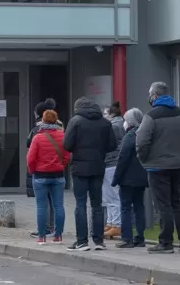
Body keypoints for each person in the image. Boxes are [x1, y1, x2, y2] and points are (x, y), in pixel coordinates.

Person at [136, 82, 180, 254]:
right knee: (177, 201)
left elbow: (141, 142)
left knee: (163, 204)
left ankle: (165, 242)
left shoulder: (151, 116)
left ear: (154, 96)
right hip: (178, 164)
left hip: (156, 166)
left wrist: (144, 159)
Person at [63, 97, 117, 251]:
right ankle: (99, 241)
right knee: (97, 205)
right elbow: (112, 145)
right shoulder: (105, 123)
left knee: (80, 204)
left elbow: (66, 145)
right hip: (98, 167)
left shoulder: (76, 121)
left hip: (79, 168)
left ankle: (81, 241)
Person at [26, 109, 70, 244]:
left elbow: (30, 159)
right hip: (58, 175)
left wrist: (33, 171)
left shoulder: (38, 137)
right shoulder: (62, 135)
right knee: (58, 206)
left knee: (41, 206)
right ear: (56, 121)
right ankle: (58, 236)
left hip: (40, 175)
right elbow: (67, 155)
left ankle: (41, 236)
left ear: (43, 120)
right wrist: (61, 165)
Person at [112, 108, 148, 249]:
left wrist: (116, 179)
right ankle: (140, 237)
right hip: (141, 177)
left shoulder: (130, 136)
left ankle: (127, 238)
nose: (124, 123)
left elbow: (122, 159)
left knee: (126, 208)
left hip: (127, 179)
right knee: (139, 207)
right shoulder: (143, 134)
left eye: (126, 120)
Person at [26, 98, 58, 237]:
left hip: (41, 171)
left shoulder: (36, 131)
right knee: (56, 203)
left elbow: (30, 152)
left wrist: (32, 169)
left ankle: (43, 229)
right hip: (57, 171)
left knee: (42, 203)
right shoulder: (60, 128)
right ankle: (55, 228)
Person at [103, 102, 125, 239]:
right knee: (110, 195)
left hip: (111, 163)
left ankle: (115, 224)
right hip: (115, 163)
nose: (104, 116)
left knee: (112, 195)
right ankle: (111, 223)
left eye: (105, 114)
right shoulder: (121, 124)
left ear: (111, 114)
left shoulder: (113, 126)